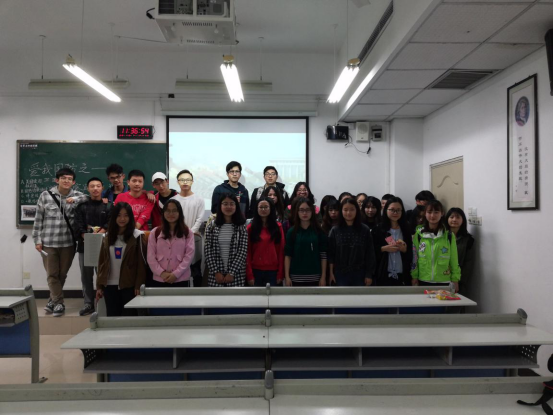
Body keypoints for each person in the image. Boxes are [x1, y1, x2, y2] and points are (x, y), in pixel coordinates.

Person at [32, 167, 86, 317]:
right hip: (48, 243)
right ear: (57, 180)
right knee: (52, 274)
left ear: (73, 182)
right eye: (63, 178)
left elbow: (89, 198)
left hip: (68, 243)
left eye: (69, 179)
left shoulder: (77, 195)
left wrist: (75, 200)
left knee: (62, 274)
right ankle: (59, 303)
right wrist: (37, 240)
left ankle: (52, 300)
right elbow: (38, 219)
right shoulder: (45, 195)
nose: (66, 181)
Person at [96, 202, 147, 317]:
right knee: (112, 317)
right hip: (109, 285)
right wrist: (99, 285)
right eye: (119, 215)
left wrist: (139, 284)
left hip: (129, 285)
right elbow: (102, 262)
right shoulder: (107, 236)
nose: (122, 219)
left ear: (130, 217)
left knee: (129, 318)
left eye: (126, 215)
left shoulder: (137, 236)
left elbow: (142, 264)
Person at [74, 177, 111, 316]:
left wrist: (99, 234)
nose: (95, 188)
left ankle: (103, 303)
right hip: (85, 246)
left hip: (103, 246)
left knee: (103, 275)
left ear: (102, 188)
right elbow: (78, 224)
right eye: (92, 186)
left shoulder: (108, 206)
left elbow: (110, 222)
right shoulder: (81, 206)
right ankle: (88, 303)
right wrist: (87, 236)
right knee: (86, 276)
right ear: (88, 188)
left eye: (98, 186)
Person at [411, 200, 461, 292]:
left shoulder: (449, 235)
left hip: (444, 280)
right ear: (425, 213)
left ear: (442, 213)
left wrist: (455, 279)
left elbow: (454, 260)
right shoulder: (419, 235)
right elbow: (415, 258)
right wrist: (414, 276)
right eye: (429, 212)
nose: (432, 215)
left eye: (436, 212)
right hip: (423, 279)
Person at [147, 200, 195, 287]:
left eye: (174, 210)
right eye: (168, 211)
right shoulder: (155, 232)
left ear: (179, 213)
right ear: (163, 213)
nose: (171, 214)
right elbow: (150, 257)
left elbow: (189, 256)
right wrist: (161, 273)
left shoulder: (187, 232)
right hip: (160, 278)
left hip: (181, 278)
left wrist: (176, 274)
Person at [328, 198, 375, 286]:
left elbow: (370, 254)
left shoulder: (365, 229)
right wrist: (331, 273)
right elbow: (331, 254)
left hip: (360, 273)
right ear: (341, 211)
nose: (348, 213)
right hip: (340, 273)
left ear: (357, 210)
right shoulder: (335, 230)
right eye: (345, 210)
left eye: (352, 209)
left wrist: (369, 274)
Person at [171, 169, 205, 288]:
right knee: (179, 270)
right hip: (176, 239)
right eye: (182, 180)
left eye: (188, 180)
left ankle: (198, 297)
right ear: (177, 182)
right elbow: (171, 220)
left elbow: (200, 219)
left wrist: (189, 233)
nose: (185, 182)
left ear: (192, 181)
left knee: (196, 271)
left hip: (194, 239)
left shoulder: (199, 199)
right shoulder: (173, 200)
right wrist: (180, 234)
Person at [205, 193, 248, 287]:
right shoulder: (212, 226)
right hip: (216, 276)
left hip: (236, 275)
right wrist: (216, 272)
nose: (229, 207)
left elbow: (242, 251)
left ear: (236, 206)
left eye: (232, 204)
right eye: (225, 204)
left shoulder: (241, 227)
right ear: (220, 206)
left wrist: (231, 273)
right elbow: (208, 251)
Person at [284, 198, 327, 287]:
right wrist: (287, 277)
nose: (304, 213)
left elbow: (323, 255)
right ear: (297, 212)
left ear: (312, 212)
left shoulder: (319, 231)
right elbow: (288, 255)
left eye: (307, 210)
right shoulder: (292, 232)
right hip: (296, 277)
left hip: (315, 276)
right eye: (301, 210)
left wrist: (323, 277)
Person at [374, 197, 413, 286]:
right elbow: (371, 251)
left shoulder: (407, 229)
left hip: (402, 275)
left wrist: (404, 249)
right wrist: (384, 248)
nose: (395, 213)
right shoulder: (378, 229)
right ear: (386, 210)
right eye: (392, 210)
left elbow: (412, 253)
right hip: (384, 274)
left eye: (398, 210)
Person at [246, 197, 285, 286]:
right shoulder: (250, 228)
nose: (263, 209)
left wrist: (280, 273)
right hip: (255, 271)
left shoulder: (278, 227)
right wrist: (249, 274)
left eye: (266, 207)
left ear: (271, 208)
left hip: (273, 272)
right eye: (261, 207)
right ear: (257, 209)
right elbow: (247, 253)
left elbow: (281, 251)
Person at [445, 208, 475, 297]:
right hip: (441, 276)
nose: (454, 220)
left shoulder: (468, 240)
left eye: (458, 217)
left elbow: (468, 263)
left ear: (463, 220)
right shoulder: (441, 237)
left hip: (459, 280)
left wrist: (460, 280)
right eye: (451, 217)